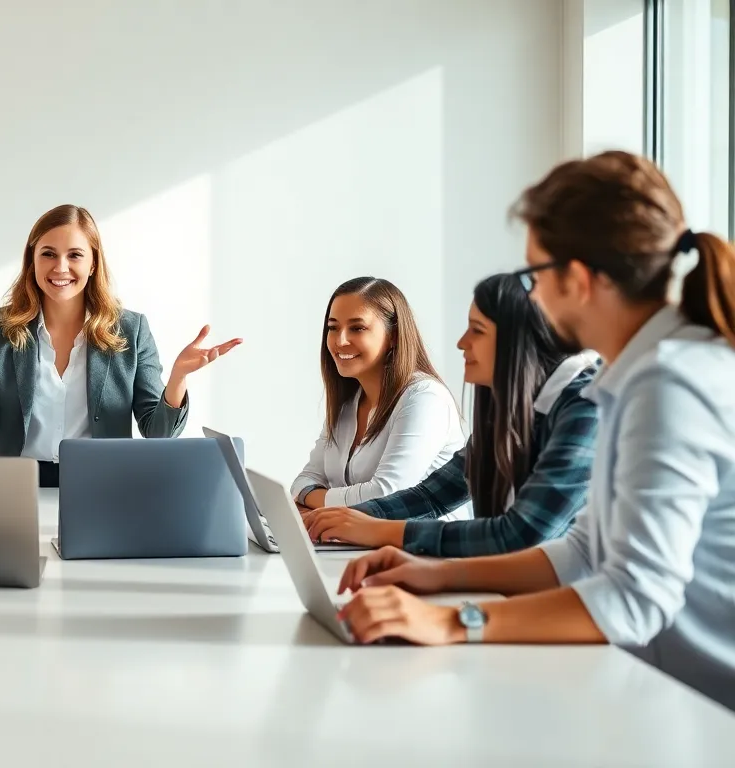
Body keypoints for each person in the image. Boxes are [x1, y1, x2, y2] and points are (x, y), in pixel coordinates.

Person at [334, 151, 735, 713]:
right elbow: (583, 549)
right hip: (661, 692)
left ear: (576, 279)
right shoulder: (638, 376)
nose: (532, 294)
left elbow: (634, 598)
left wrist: (453, 622)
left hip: (706, 710)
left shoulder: (669, 383)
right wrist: (432, 576)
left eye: (534, 273)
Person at [0, 204, 240, 487]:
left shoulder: (131, 329)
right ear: (32, 260)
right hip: (14, 487)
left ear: (94, 261)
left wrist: (178, 378)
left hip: (103, 484)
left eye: (75, 255)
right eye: (48, 254)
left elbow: (157, 432)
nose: (60, 267)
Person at [301, 273, 600, 555]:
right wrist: (338, 521)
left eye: (477, 330)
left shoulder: (586, 406)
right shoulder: (511, 406)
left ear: (520, 340)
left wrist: (380, 532)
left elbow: (519, 535)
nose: (461, 342)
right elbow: (432, 495)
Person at [290, 277, 465, 511]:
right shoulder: (348, 404)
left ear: (393, 336)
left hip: (423, 545)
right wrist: (317, 500)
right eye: (333, 328)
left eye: (357, 328)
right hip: (354, 542)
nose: (340, 341)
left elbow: (387, 494)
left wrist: (318, 502)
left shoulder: (424, 398)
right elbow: (303, 481)